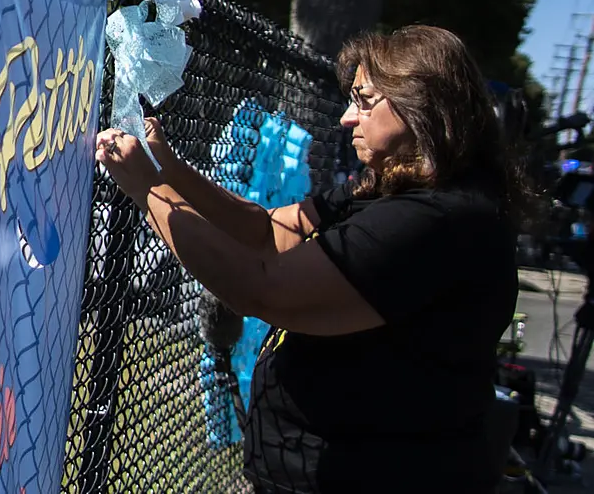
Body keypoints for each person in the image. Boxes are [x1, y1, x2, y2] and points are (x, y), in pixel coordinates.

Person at [95, 25, 522, 493]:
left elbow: (263, 287)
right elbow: (266, 232)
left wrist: (145, 190)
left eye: (364, 100)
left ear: (420, 103)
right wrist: (168, 169)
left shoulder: (437, 220)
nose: (345, 118)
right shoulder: (388, 190)